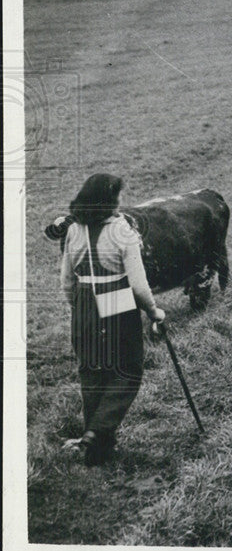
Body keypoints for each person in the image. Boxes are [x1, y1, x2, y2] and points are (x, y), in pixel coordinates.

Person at [59, 173, 165, 466]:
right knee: (128, 370)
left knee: (92, 372)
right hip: (115, 296)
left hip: (83, 300)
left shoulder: (73, 230)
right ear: (106, 200)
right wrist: (154, 311)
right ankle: (97, 432)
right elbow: (139, 285)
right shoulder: (122, 230)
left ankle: (98, 448)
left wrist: (80, 308)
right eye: (117, 196)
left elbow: (66, 280)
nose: (121, 200)